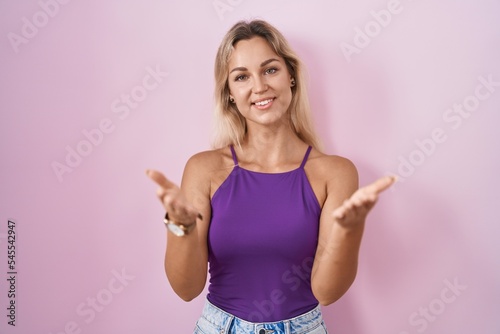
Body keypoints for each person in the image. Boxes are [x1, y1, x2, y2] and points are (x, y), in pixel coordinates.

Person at [146, 19, 395, 334]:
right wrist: (179, 227)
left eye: (270, 69)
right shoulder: (204, 169)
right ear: (230, 94)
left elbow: (327, 292)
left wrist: (351, 230)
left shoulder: (335, 173)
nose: (259, 86)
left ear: (291, 76)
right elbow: (186, 289)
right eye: (241, 77)